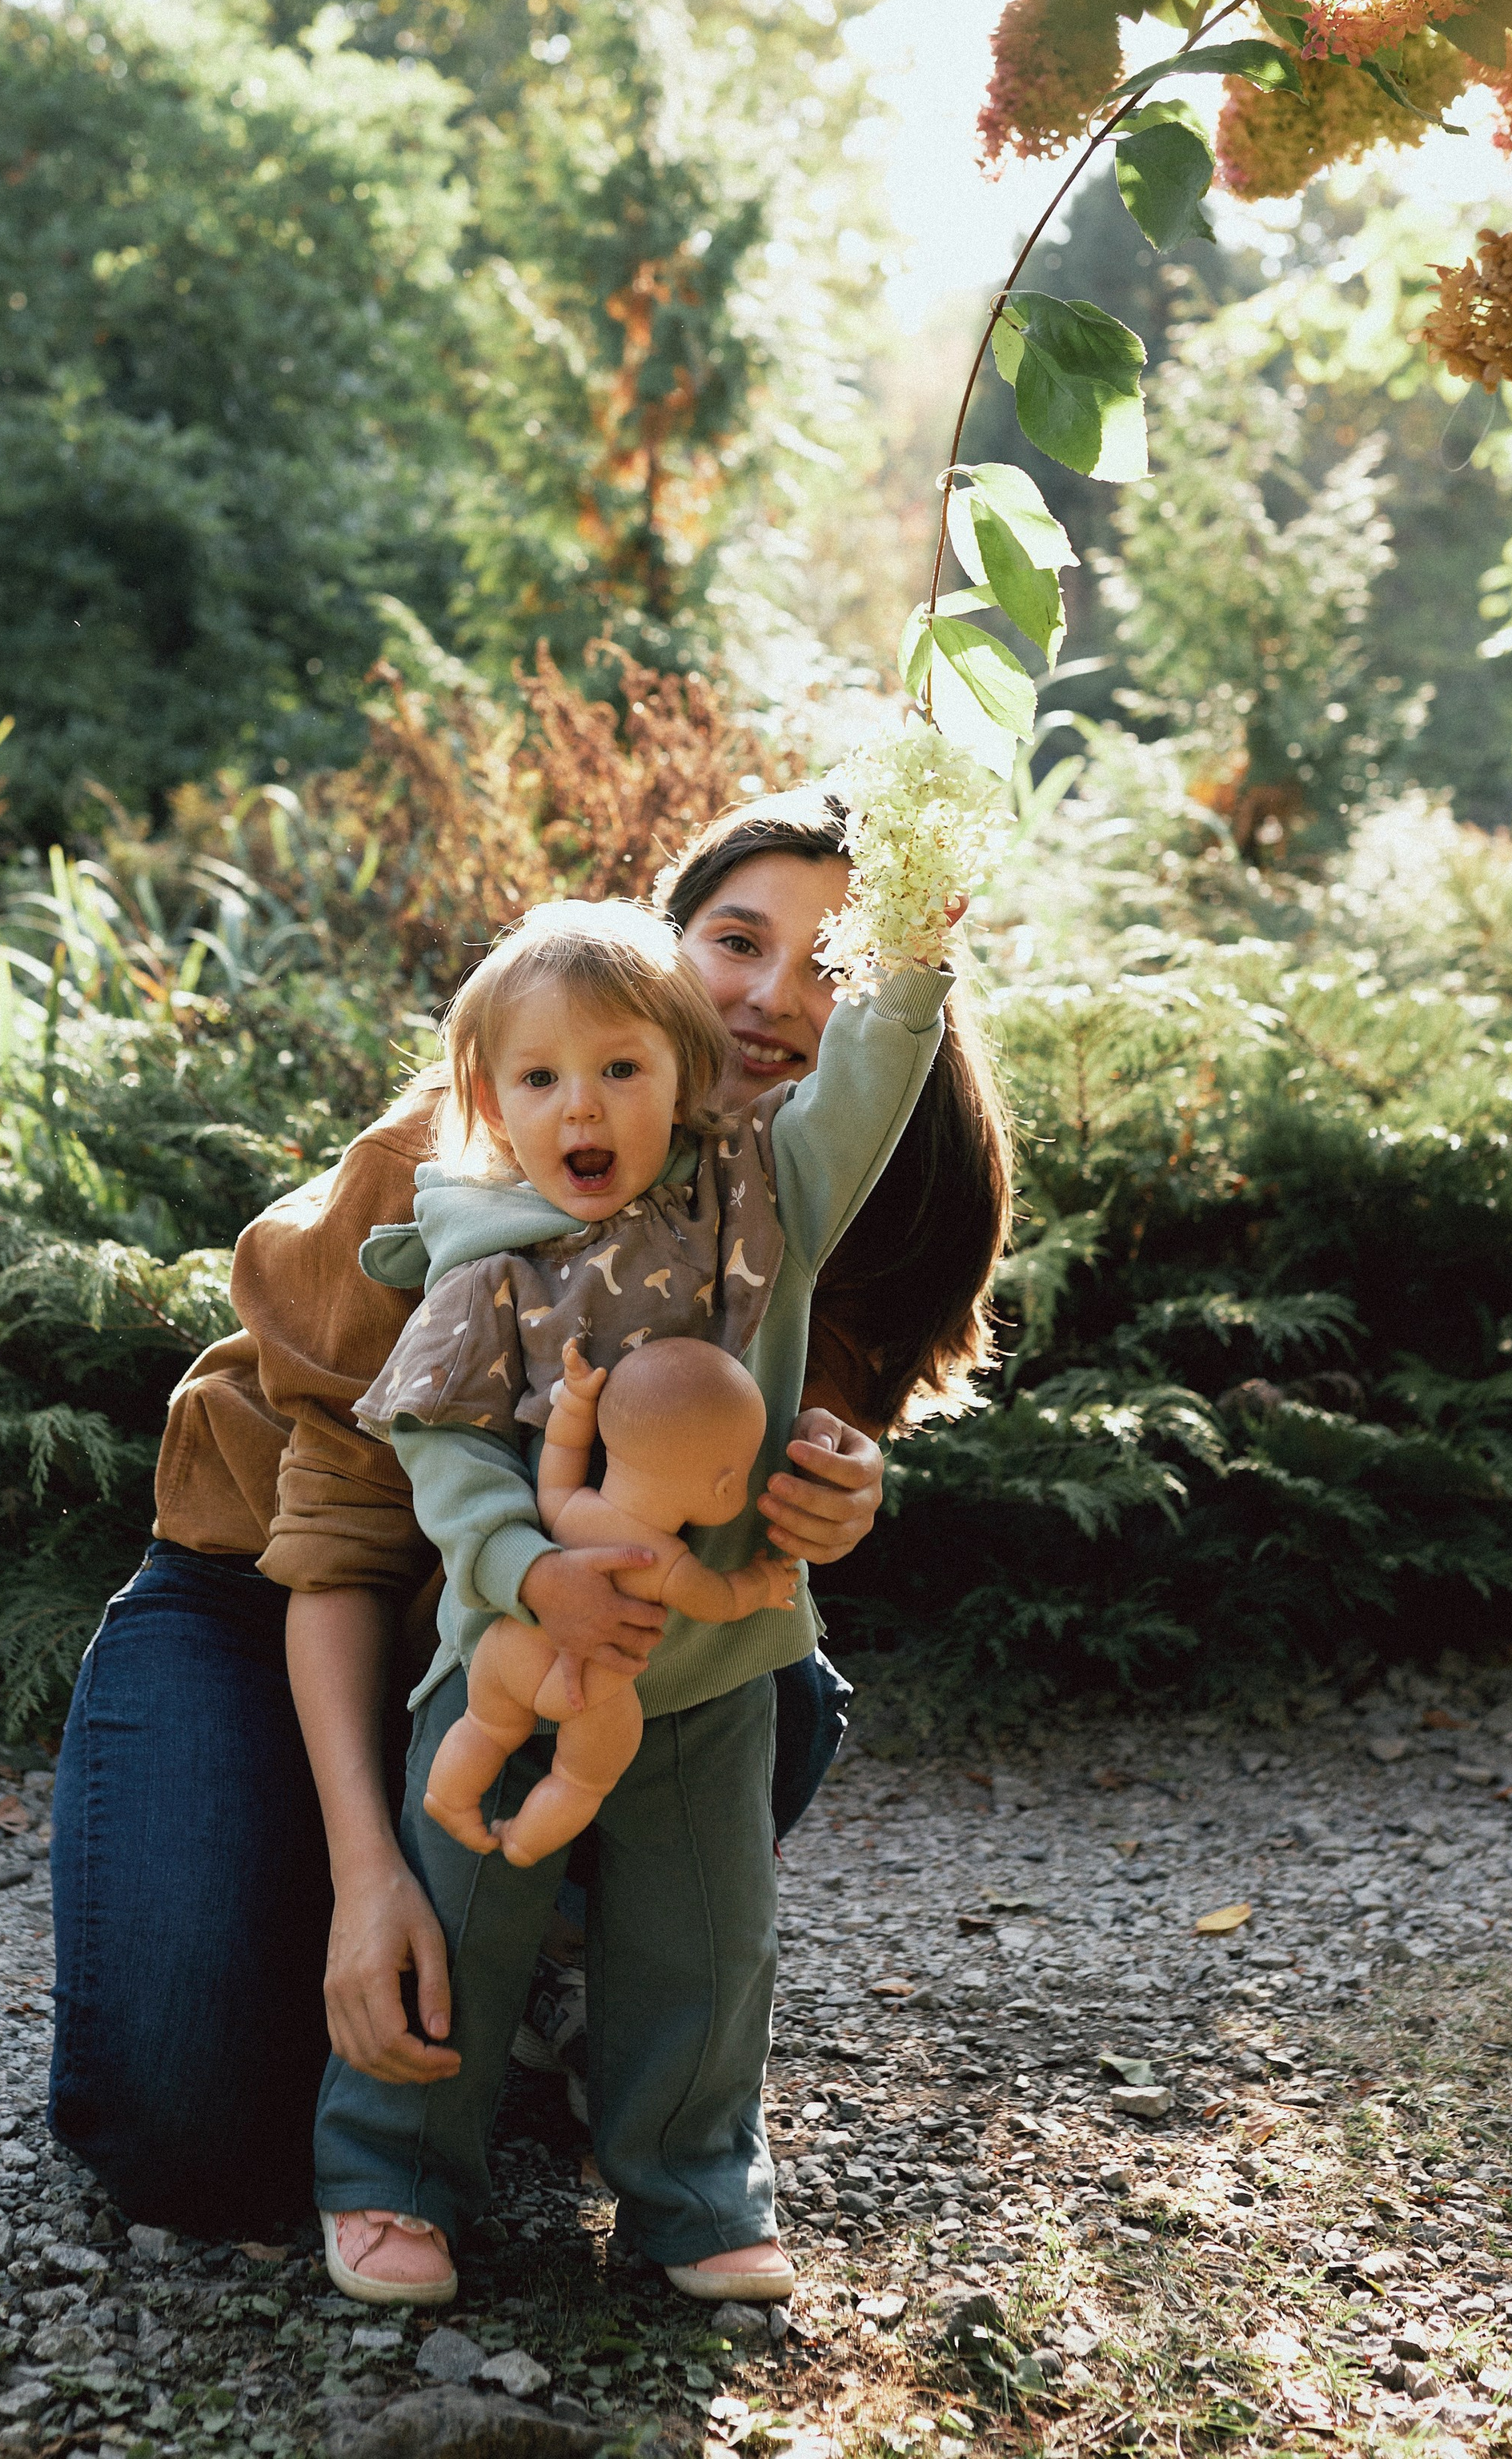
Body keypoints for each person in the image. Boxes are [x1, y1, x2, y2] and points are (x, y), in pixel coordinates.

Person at [46, 784, 1011, 2236]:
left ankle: (537, 1971)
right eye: (738, 939)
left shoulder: (819, 1188)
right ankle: (403, 1939)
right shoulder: (465, 1163)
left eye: (830, 963)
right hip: (280, 1612)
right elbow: (346, 1551)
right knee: (194, 2145)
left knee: (777, 1697)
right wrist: (367, 1882)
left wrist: (829, 1497)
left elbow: (723, 1499)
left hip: (567, 1647)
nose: (769, 997)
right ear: (661, 948)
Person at [313, 898, 953, 2309]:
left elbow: (863, 1092)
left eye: (619, 1069)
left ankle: (693, 2189)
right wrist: (527, 1568)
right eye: (540, 1079)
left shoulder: (760, 1188)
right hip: (522, 1663)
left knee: (707, 1945)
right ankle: (390, 2173)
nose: (580, 1106)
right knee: (464, 1912)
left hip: (712, 1663)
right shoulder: (482, 1253)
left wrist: (909, 959)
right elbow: (445, 1447)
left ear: (689, 1071)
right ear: (490, 1100)